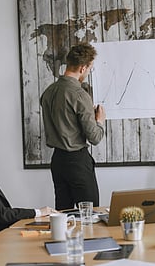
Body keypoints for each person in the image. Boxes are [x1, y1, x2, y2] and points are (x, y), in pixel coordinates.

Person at [40, 43, 106, 210]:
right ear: (83, 68)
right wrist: (99, 120)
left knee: (64, 215)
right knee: (90, 214)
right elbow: (95, 137)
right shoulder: (79, 95)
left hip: (58, 161)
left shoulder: (48, 92)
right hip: (77, 161)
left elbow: (64, 119)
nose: (89, 72)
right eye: (90, 68)